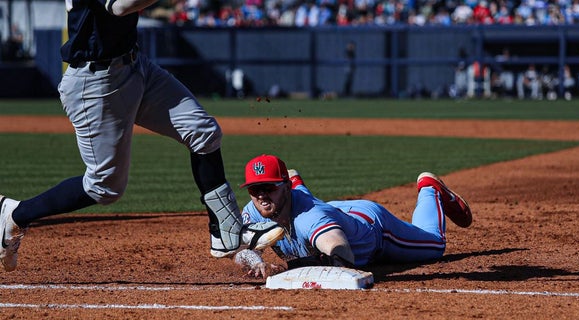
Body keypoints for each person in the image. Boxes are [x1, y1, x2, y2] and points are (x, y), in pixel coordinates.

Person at [0, 0, 283, 273]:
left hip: (135, 67)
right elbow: (120, 6)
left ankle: (226, 234)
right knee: (104, 186)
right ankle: (15, 214)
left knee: (203, 132)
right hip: (95, 83)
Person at [233, 154, 473, 278]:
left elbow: (343, 256)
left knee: (435, 245)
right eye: (255, 189)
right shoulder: (254, 209)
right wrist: (258, 263)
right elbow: (239, 250)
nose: (261, 195)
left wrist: (285, 268)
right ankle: (297, 184)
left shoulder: (311, 219)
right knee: (294, 208)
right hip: (327, 210)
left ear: (283, 185)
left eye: (269, 187)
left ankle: (430, 188)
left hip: (372, 227)